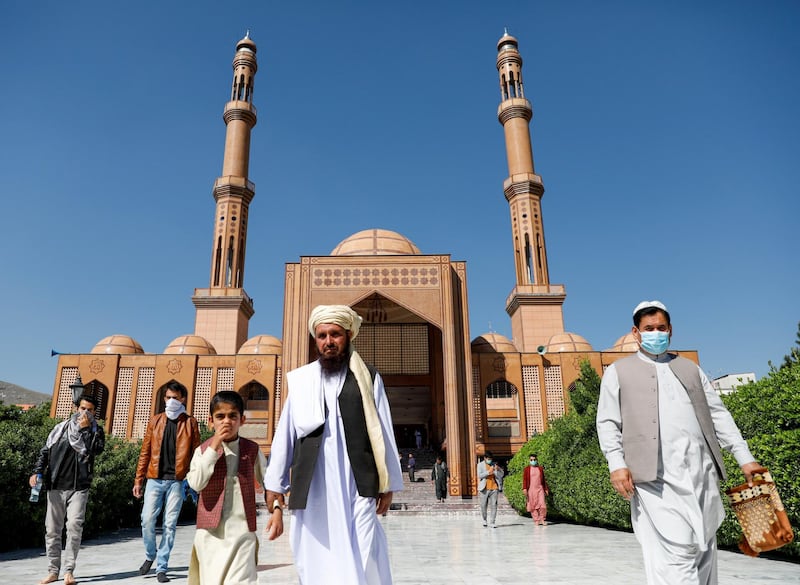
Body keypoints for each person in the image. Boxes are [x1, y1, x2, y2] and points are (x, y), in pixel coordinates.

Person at [596, 300, 761, 585]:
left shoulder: (690, 369)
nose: (655, 333)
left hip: (701, 475)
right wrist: (617, 464)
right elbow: (608, 423)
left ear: (670, 330)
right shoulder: (618, 371)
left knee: (705, 550)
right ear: (636, 332)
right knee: (678, 551)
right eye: (649, 329)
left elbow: (719, 415)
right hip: (655, 480)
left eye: (661, 327)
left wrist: (745, 458)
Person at [264, 304, 404, 585]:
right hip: (314, 483)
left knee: (365, 548)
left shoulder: (369, 378)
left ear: (348, 335)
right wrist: (275, 484)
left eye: (335, 334)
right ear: (315, 339)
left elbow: (384, 432)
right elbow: (286, 433)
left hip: (358, 482)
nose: (328, 342)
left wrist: (388, 484)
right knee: (314, 552)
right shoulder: (302, 381)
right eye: (322, 335)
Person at [186, 391, 269, 585]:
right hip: (210, 535)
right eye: (220, 416)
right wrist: (214, 447)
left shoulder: (252, 450)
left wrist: (276, 510)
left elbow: (270, 483)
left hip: (243, 533)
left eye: (233, 416)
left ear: (242, 420)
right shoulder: (202, 451)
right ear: (210, 421)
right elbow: (196, 483)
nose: (227, 421)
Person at [30, 395, 105, 585]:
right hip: (56, 485)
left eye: (89, 409)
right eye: (82, 408)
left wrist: (86, 428)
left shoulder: (96, 431)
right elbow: (45, 451)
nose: (84, 412)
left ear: (94, 412)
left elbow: (94, 450)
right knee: (52, 530)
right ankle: (52, 570)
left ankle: (69, 571)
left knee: (74, 527)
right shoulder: (60, 429)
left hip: (79, 486)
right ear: (76, 408)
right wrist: (37, 471)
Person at [133, 380, 201, 583]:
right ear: (164, 399)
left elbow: (196, 454)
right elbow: (145, 452)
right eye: (168, 397)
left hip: (177, 482)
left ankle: (162, 566)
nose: (171, 401)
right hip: (155, 478)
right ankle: (150, 554)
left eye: (175, 398)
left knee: (169, 525)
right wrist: (138, 480)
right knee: (146, 520)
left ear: (183, 399)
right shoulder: (155, 421)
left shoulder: (190, 423)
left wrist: (194, 480)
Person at [477, 450, 503, 528]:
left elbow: (501, 475)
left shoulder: (494, 465)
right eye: (488, 458)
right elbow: (480, 476)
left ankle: (492, 522)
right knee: (483, 505)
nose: (490, 460)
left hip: (494, 488)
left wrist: (498, 469)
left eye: (491, 459)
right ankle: (484, 519)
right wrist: (488, 472)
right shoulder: (480, 465)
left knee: (494, 505)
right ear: (485, 458)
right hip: (484, 488)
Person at [522, 453, 549, 525]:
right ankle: (536, 520)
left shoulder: (540, 468)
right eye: (531, 460)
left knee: (542, 505)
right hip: (531, 489)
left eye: (534, 460)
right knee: (532, 505)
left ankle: (542, 519)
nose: (533, 461)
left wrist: (546, 489)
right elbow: (524, 479)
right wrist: (524, 488)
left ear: (537, 460)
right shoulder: (527, 469)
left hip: (540, 488)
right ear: (529, 460)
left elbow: (543, 480)